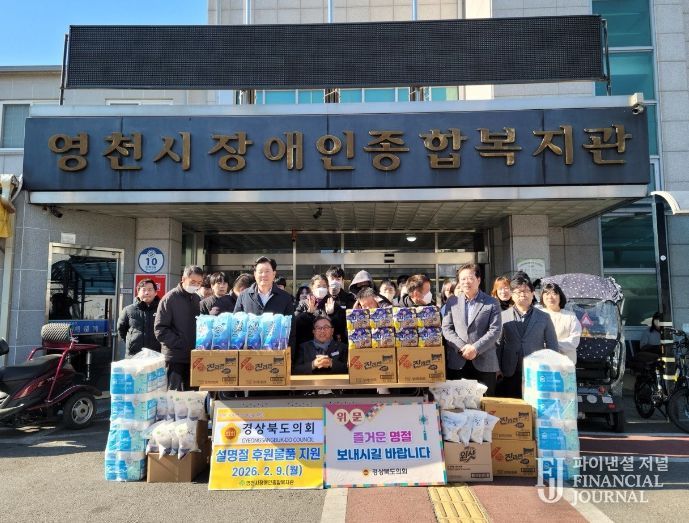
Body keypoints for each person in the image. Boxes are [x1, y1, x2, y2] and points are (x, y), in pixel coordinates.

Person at [442, 263, 502, 396]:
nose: (466, 282)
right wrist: (462, 347)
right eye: (462, 279)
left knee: (485, 403)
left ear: (478, 280)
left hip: (484, 362)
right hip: (458, 361)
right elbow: (446, 328)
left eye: (470, 278)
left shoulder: (492, 302)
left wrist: (475, 348)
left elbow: (495, 330)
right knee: (457, 403)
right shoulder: (452, 301)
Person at [496, 274, 559, 398]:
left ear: (533, 293)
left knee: (533, 405)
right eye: (518, 291)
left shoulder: (544, 317)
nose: (523, 294)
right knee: (511, 404)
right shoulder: (503, 316)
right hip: (509, 370)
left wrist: (551, 368)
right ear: (512, 295)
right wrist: (497, 368)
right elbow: (498, 345)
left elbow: (552, 345)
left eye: (526, 291)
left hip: (536, 371)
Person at [154, 265, 204, 390]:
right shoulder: (170, 298)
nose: (196, 285)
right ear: (183, 279)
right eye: (193, 282)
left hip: (193, 356)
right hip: (175, 357)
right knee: (173, 395)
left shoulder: (196, 298)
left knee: (192, 395)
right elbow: (160, 329)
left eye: (199, 283)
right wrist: (180, 343)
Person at [234, 257, 296, 351]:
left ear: (274, 274)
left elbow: (291, 330)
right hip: (249, 353)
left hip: (276, 353)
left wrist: (289, 355)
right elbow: (236, 326)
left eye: (267, 271)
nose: (264, 275)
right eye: (260, 272)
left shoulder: (285, 298)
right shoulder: (244, 296)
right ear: (255, 274)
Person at [117, 278, 161, 357]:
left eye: (150, 289)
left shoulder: (163, 310)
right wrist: (131, 341)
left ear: (155, 292)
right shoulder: (128, 310)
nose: (147, 293)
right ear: (138, 292)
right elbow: (121, 329)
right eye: (143, 290)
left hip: (157, 355)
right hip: (134, 355)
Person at [540, 282, 582, 364]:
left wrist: (553, 345)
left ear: (560, 297)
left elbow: (574, 340)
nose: (550, 297)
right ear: (542, 297)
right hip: (542, 362)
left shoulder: (570, 317)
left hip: (565, 363)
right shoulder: (537, 315)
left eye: (554, 294)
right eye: (547, 294)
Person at [294, 274, 331, 349]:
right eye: (318, 286)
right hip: (307, 347)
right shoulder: (303, 303)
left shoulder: (331, 303)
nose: (321, 289)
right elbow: (295, 323)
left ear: (327, 288)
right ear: (312, 288)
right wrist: (308, 313)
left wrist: (331, 314)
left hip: (328, 347)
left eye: (324, 286)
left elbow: (339, 326)